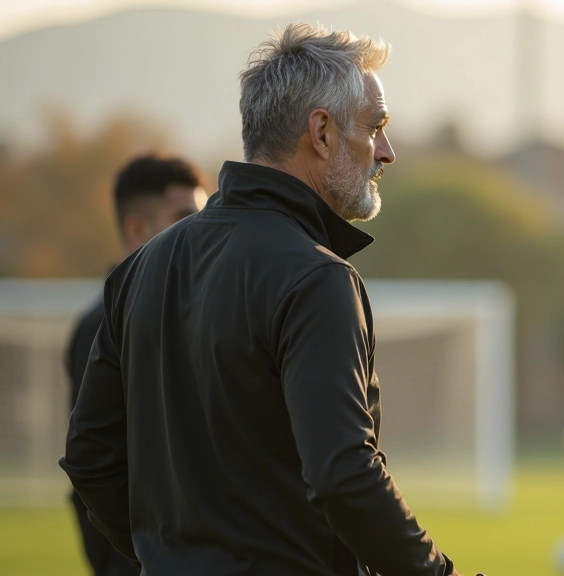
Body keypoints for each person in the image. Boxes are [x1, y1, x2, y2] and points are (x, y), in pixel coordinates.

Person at [60, 24, 464, 576]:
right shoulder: (316, 278)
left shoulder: (141, 268)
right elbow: (344, 474)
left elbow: (90, 458)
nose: (387, 152)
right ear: (321, 132)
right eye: (377, 127)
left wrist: (171, 557)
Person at [65, 153, 203, 576]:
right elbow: (92, 461)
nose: (200, 231)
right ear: (136, 228)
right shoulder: (102, 327)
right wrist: (143, 555)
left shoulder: (182, 311)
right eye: (184, 216)